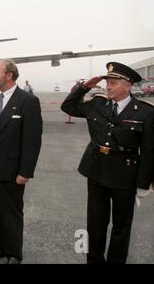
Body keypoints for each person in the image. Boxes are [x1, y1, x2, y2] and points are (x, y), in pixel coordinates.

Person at [61, 62, 154, 263]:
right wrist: (84, 87)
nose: (108, 87)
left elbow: (149, 151)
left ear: (127, 85)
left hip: (125, 175)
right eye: (107, 83)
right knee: (95, 223)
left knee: (121, 226)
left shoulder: (145, 112)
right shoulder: (97, 104)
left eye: (113, 83)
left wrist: (143, 183)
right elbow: (67, 106)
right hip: (97, 172)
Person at [0, 59, 43, 264]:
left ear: (9, 76)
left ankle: (14, 253)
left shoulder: (28, 101)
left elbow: (32, 140)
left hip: (11, 170)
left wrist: (25, 172)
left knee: (11, 214)